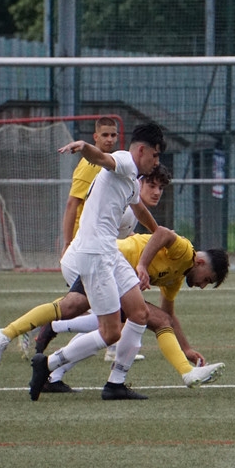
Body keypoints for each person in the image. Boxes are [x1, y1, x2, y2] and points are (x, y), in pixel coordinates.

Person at [29, 122, 165, 401]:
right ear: (141, 150)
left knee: (139, 313)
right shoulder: (125, 161)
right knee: (110, 332)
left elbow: (138, 208)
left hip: (109, 252)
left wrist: (159, 232)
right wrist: (84, 147)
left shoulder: (131, 179)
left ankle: (115, 385)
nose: (156, 162)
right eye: (155, 155)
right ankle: (49, 364)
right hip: (94, 254)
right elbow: (103, 158)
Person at [0, 165, 170, 366]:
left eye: (160, 188)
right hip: (85, 259)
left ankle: (33, 333)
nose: (156, 192)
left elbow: (122, 237)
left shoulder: (131, 206)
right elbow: (105, 234)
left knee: (86, 309)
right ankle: (37, 335)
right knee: (101, 313)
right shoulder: (125, 205)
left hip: (93, 259)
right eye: (151, 185)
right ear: (138, 182)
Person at [39, 226, 230, 392]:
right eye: (207, 280)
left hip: (99, 263)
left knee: (118, 326)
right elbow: (162, 233)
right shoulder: (185, 252)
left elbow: (168, 315)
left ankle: (54, 372)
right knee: (129, 322)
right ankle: (56, 331)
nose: (202, 286)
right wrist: (143, 266)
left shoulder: (177, 275)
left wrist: (186, 349)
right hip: (99, 262)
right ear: (200, 263)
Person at [62, 116, 120, 256]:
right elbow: (72, 204)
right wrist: (67, 243)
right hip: (82, 238)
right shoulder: (89, 165)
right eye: (105, 135)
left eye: (113, 135)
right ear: (96, 137)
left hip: (98, 236)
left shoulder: (110, 162)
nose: (109, 139)